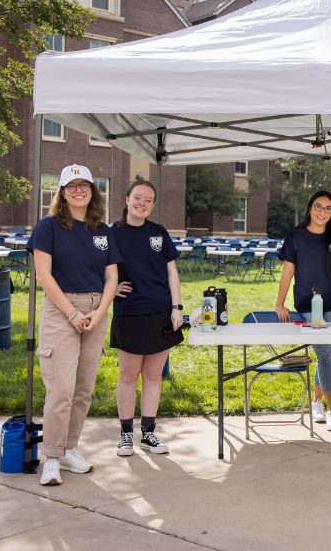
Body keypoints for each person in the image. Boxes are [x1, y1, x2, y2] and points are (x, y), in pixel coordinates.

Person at [27, 164, 120, 486]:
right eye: (71, 185)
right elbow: (44, 276)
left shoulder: (103, 231)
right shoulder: (49, 226)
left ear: (93, 191)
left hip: (96, 311)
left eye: (84, 185)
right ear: (62, 192)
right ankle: (51, 457)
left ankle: (68, 450)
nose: (78, 190)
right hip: (61, 311)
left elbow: (112, 277)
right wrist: (71, 313)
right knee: (61, 390)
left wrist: (99, 312)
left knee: (83, 390)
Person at [110, 180, 184, 456]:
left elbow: (172, 272)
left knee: (153, 376)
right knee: (128, 376)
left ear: (153, 205)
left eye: (148, 200)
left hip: (161, 313)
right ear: (126, 199)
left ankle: (149, 433)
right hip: (129, 313)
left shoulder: (159, 233)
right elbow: (94, 268)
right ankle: (126, 434)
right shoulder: (111, 234)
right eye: (138, 197)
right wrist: (111, 288)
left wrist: (176, 307)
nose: (142, 203)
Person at [275, 191, 331, 431]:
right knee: (324, 355)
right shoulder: (296, 236)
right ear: (310, 208)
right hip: (308, 305)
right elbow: (287, 272)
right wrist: (279, 303)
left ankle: (316, 403)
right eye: (318, 206)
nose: (322, 212)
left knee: (325, 354)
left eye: (328, 209)